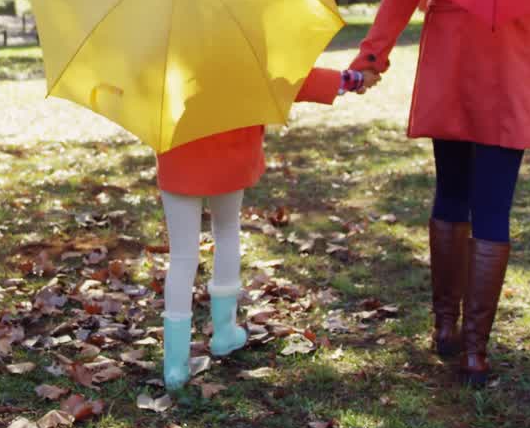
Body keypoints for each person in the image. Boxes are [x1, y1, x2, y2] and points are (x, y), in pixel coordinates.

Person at [350, 0, 530, 386]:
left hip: (453, 49)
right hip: (514, 50)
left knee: (452, 189)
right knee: (492, 205)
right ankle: (474, 353)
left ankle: (444, 328)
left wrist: (372, 57)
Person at [158, 66, 377, 390]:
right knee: (227, 229)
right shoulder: (243, 32)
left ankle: (175, 366)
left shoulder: (168, 37)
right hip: (230, 151)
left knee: (182, 256)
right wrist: (352, 80)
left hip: (178, 152)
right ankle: (224, 332)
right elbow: (290, 77)